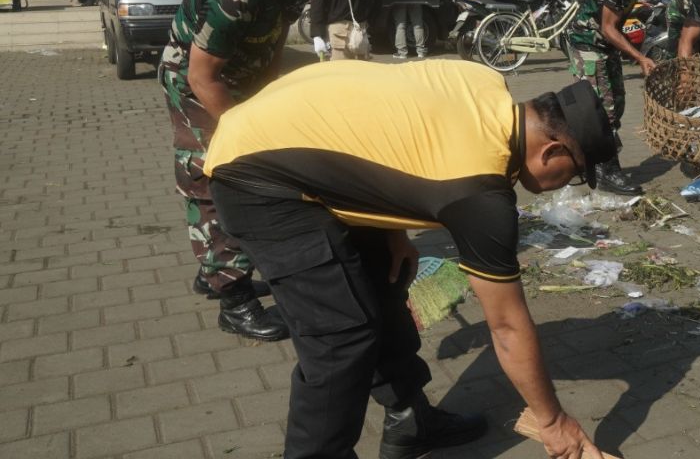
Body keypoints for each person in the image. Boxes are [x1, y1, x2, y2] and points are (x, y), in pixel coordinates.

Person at [203, 60, 615, 459]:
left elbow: (389, 130)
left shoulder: (483, 81)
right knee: (339, 335)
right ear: (553, 150)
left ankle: (410, 423)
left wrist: (393, 231)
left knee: (384, 279)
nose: (567, 185)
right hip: (256, 179)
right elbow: (507, 326)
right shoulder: (479, 191)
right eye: (575, 173)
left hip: (284, 135)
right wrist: (553, 420)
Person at [159, 0, 332, 341]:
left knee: (244, 165)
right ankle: (233, 300)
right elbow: (202, 75)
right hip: (195, 81)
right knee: (217, 176)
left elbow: (274, 41)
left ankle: (212, 271)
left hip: (241, 74)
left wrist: (265, 99)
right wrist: (244, 129)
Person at [565, 0, 683, 195]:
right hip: (588, 43)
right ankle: (607, 171)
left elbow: (616, 22)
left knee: (616, 102)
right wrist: (640, 58)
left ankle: (591, 159)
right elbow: (607, 27)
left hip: (606, 42)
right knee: (601, 108)